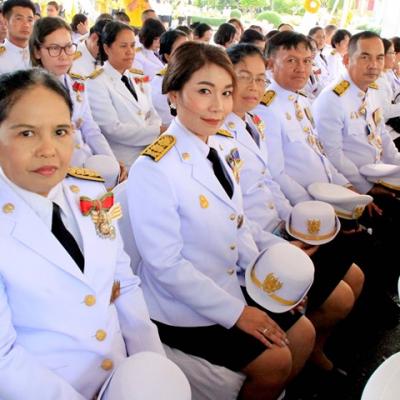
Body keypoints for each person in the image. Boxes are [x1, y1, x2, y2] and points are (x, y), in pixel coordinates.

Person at [128, 41, 315, 400]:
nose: (218, 105)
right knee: (275, 361)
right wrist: (238, 313)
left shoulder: (218, 147)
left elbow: (238, 224)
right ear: (173, 94)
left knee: (303, 332)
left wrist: (274, 278)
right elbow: (165, 265)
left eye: (226, 92)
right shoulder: (153, 168)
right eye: (204, 91)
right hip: (180, 309)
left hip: (227, 284)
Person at [0, 68, 169, 400]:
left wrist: (152, 370)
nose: (48, 149)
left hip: (123, 377)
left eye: (60, 131)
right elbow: (4, 358)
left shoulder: (89, 193)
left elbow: (125, 285)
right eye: (27, 133)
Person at [86, 21, 163, 168]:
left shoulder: (137, 77)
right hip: (123, 163)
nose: (130, 51)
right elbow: (112, 129)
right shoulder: (96, 82)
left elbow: (152, 113)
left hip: (149, 156)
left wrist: (156, 130)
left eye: (132, 45)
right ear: (107, 48)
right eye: (123, 46)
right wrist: (156, 131)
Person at [150, 29, 188, 126]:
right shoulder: (160, 85)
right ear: (168, 56)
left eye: (189, 48)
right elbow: (168, 121)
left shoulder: (189, 76)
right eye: (181, 50)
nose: (188, 54)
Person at [0, 0, 35, 74]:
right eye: (19, 19)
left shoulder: (39, 53)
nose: (26, 25)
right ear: (6, 22)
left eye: (30, 20)